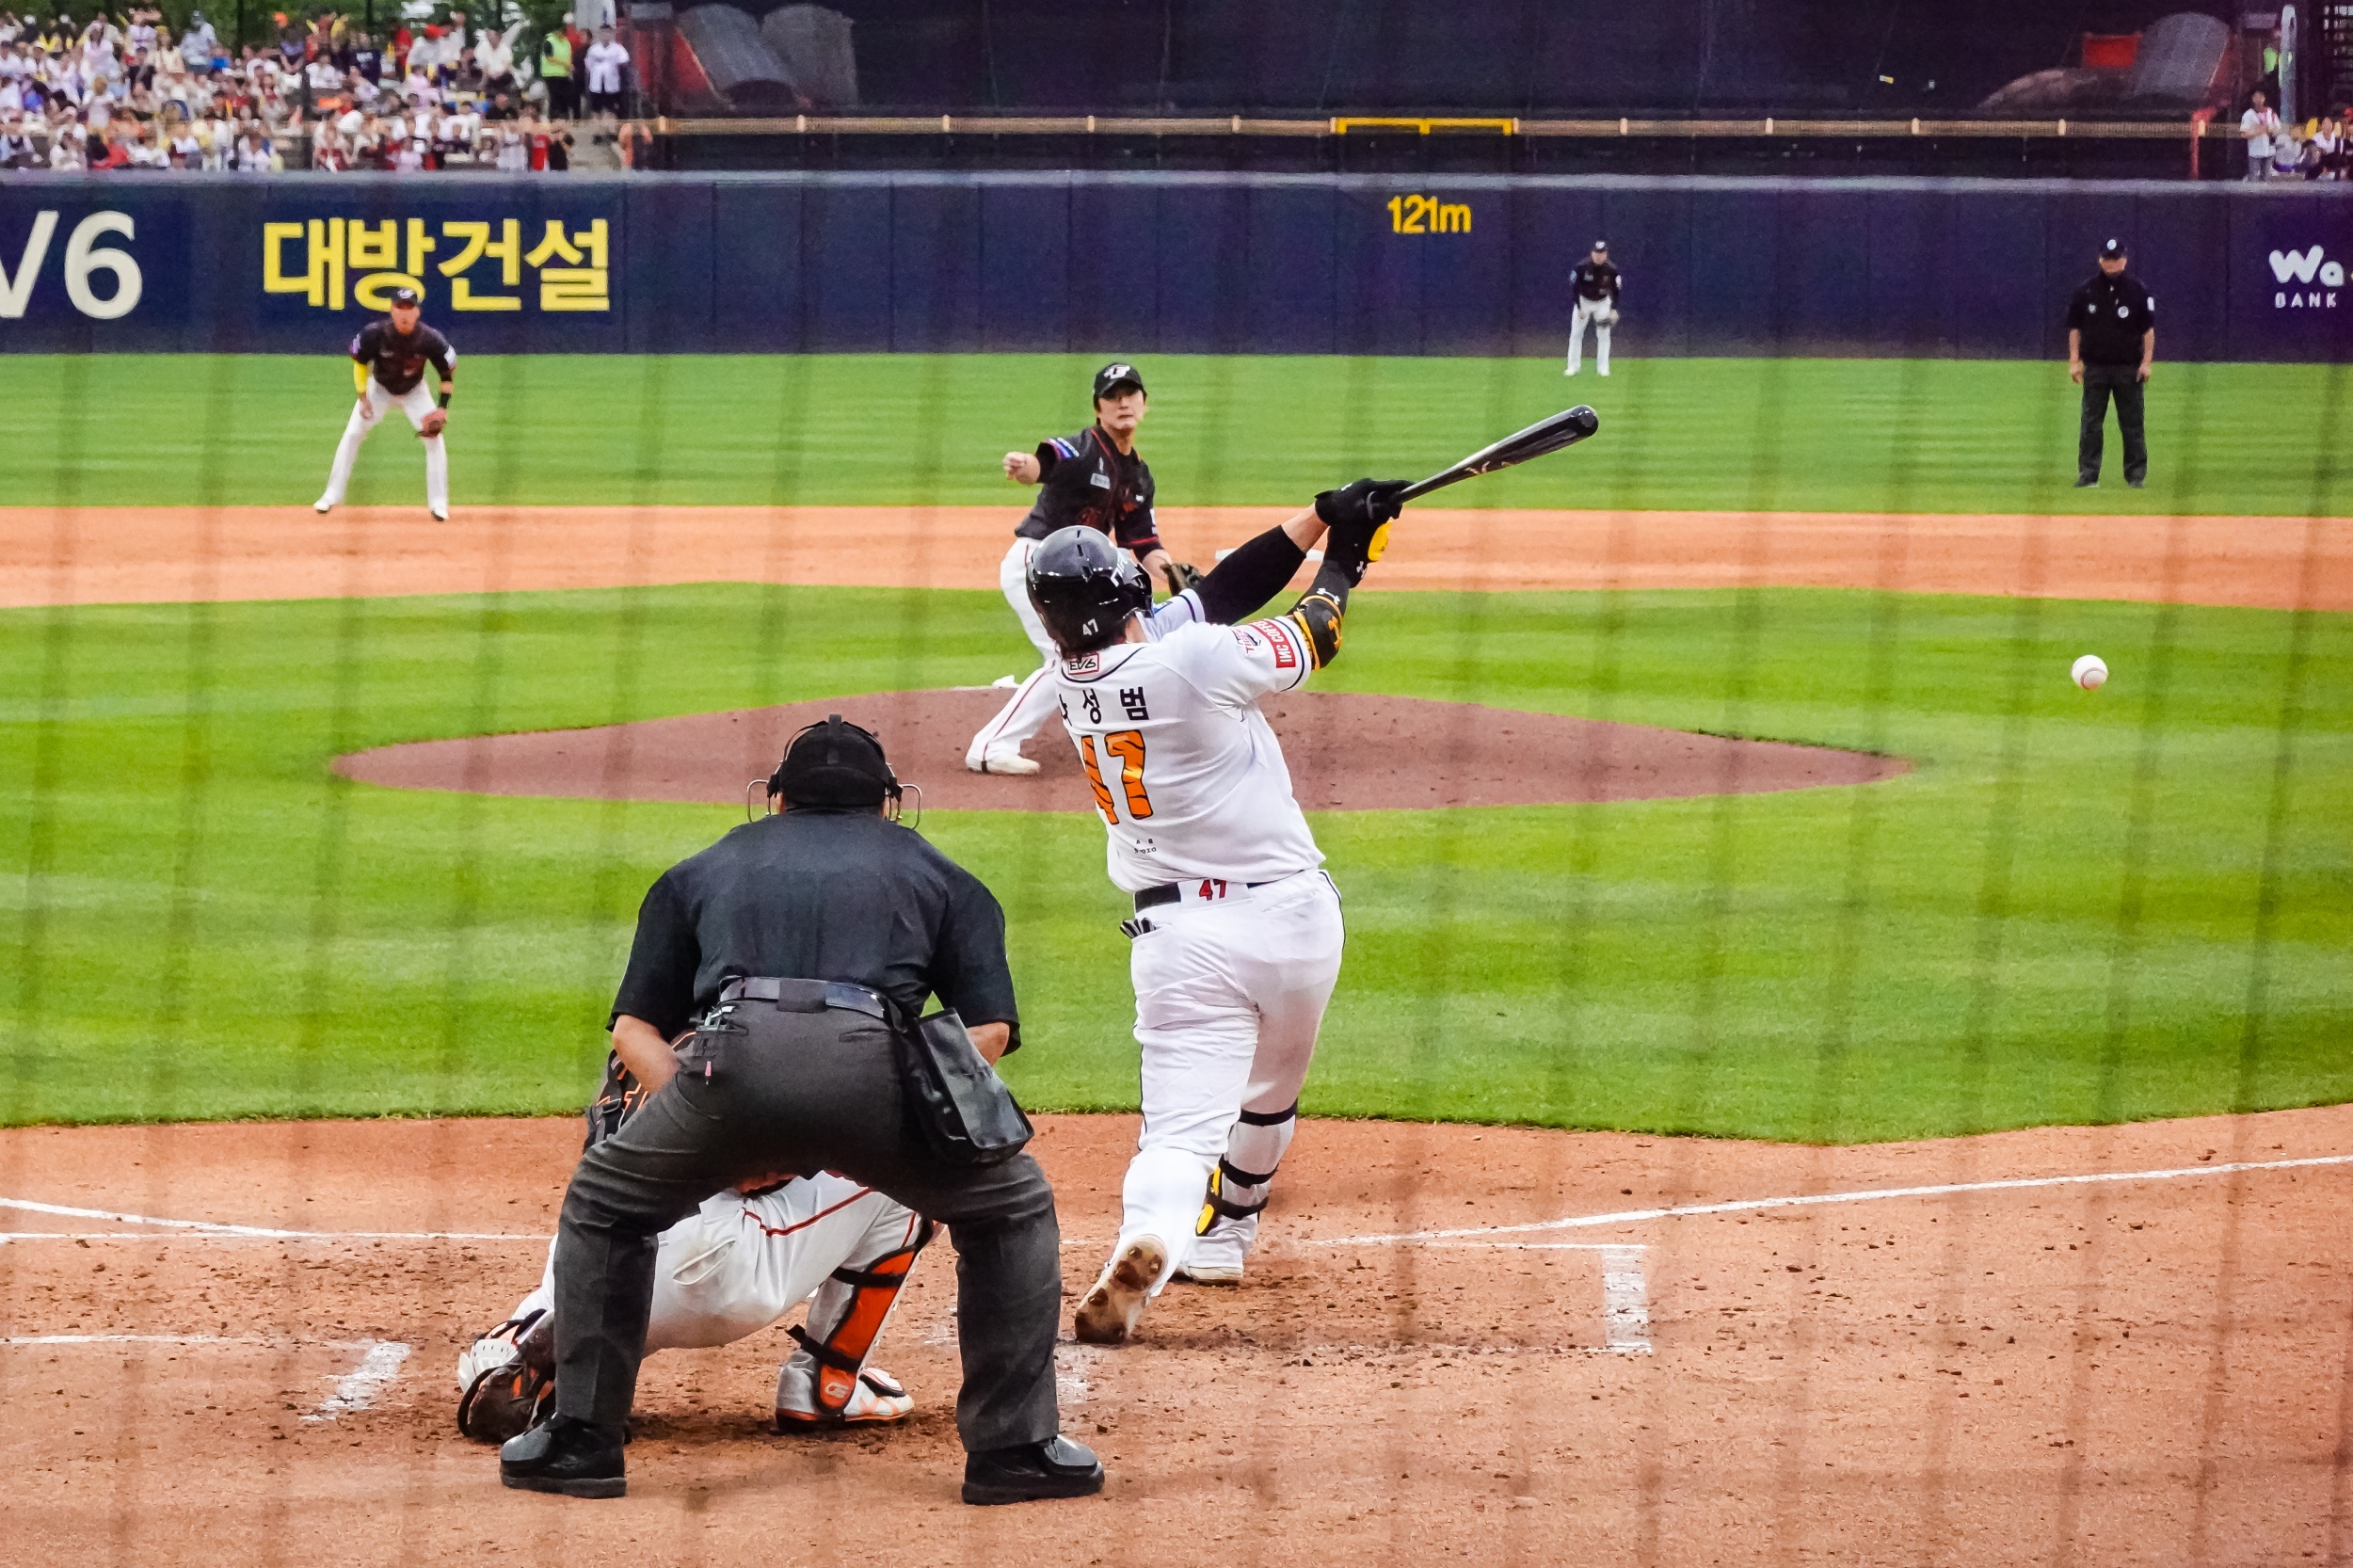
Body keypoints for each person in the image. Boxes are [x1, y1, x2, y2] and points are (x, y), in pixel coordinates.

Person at [496, 717, 1101, 1506]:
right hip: (876, 1066)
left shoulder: (701, 868)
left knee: (606, 1204)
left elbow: (632, 1031)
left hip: (729, 1065)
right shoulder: (944, 875)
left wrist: (709, 1110)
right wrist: (895, 1100)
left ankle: (582, 1444)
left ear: (776, 799)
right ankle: (1012, 1453)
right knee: (1012, 1207)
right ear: (889, 804)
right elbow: (988, 1032)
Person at [1023, 474, 1408, 1342]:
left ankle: (1152, 1237)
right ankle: (1228, 1238)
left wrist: (1318, 517)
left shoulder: (1074, 679)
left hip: (1177, 937)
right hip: (1291, 919)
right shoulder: (1193, 660)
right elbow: (1316, 633)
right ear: (1131, 593)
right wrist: (1348, 556)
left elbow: (1221, 592)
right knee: (1268, 1095)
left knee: (1177, 1130)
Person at [456, 1169, 929, 1441]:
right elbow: (758, 1171)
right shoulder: (767, 1041)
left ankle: (522, 1341)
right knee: (909, 1179)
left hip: (586, 1247)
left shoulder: (636, 1050)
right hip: (703, 1267)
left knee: (598, 1247)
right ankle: (827, 1384)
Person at [964, 361, 1193, 777]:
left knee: (1113, 647)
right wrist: (1024, 467)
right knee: (1067, 658)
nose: (1123, 403)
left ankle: (1109, 727)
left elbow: (1143, 543)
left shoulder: (1138, 476)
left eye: (1130, 395)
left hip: (1075, 579)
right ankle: (991, 747)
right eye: (1112, 397)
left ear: (1144, 403)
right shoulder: (1085, 449)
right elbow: (1046, 462)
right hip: (1039, 566)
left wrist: (1174, 572)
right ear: (1098, 408)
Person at [314, 285, 455, 520]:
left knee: (435, 441)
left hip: (415, 391)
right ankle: (331, 495)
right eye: (400, 307)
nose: (404, 313)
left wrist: (442, 408)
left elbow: (447, 375)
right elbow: (360, 363)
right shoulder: (374, 334)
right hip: (378, 389)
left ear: (417, 312)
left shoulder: (430, 339)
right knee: (352, 433)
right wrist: (362, 396)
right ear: (392, 309)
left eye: (409, 308)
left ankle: (439, 504)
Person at [2067, 237, 2154, 490]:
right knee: (2091, 423)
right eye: (2107, 259)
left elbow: (2148, 330)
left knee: (2132, 423)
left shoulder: (2138, 290)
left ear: (2124, 260)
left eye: (2115, 259)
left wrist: (2146, 362)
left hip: (2128, 367)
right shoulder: (2086, 291)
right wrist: (2074, 360)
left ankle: (2135, 475)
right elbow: (2075, 327)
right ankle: (2088, 474)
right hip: (2096, 367)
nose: (2111, 263)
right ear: (2100, 260)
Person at [1565, 238, 1621, 376]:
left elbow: (1616, 290)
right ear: (1592, 253)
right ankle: (1573, 367)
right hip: (1584, 301)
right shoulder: (1581, 267)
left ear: (1606, 254)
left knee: (1603, 335)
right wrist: (1579, 307)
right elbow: (1574, 287)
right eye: (1596, 253)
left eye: (1601, 253)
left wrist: (1614, 309)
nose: (1598, 256)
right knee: (1576, 334)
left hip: (1602, 303)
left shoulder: (1612, 270)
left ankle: (1603, 368)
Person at [582, 23, 624, 117]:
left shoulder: (618, 48)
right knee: (596, 111)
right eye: (603, 32)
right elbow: (588, 65)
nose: (605, 34)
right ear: (600, 34)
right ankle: (597, 125)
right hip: (596, 85)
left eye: (608, 32)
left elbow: (623, 60)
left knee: (611, 110)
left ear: (611, 33)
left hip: (612, 85)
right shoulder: (593, 49)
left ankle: (611, 125)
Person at [537, 15, 572, 117]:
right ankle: (553, 118)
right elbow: (549, 57)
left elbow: (569, 56)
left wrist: (569, 67)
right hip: (551, 74)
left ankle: (564, 117)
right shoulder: (549, 41)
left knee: (565, 98)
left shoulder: (566, 42)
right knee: (555, 99)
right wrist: (564, 63)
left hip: (564, 74)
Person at [2242, 90, 2281, 181]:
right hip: (2255, 152)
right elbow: (2244, 134)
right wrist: (2256, 132)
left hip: (2269, 151)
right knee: (2254, 178)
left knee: (2266, 179)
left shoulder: (2271, 113)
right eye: (2256, 97)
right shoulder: (2248, 114)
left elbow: (2278, 129)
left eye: (2260, 97)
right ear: (2253, 99)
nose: (2259, 100)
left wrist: (2271, 131)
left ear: (2264, 99)